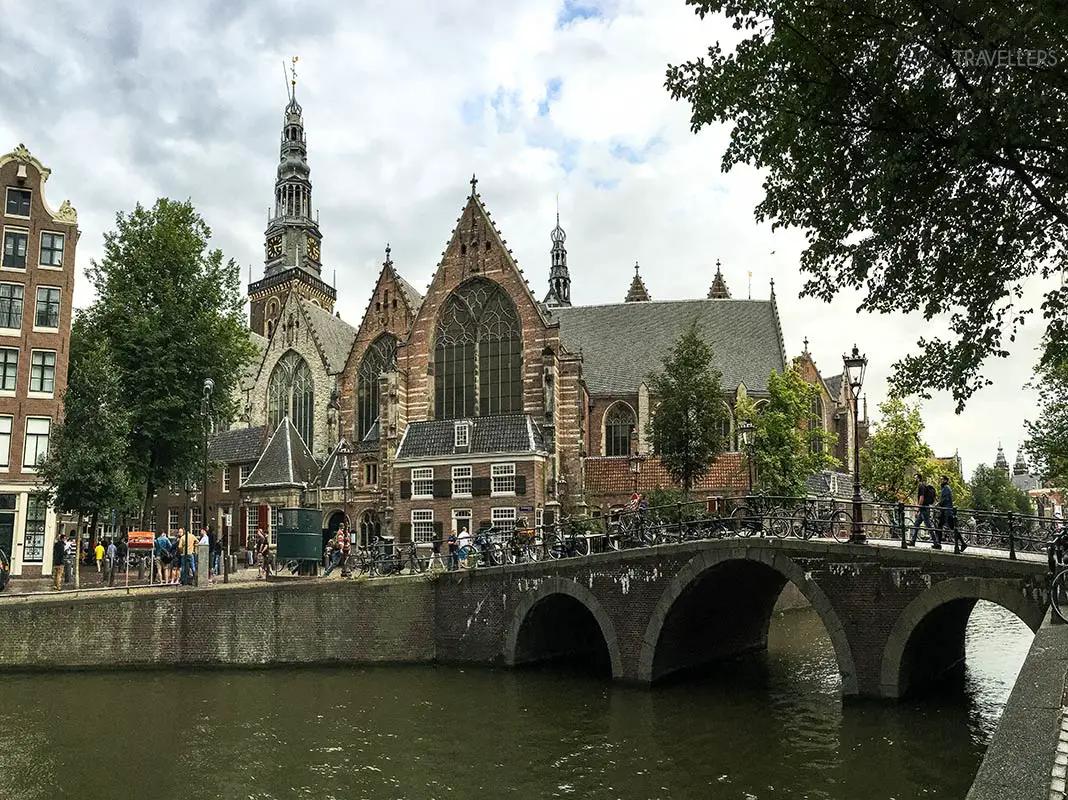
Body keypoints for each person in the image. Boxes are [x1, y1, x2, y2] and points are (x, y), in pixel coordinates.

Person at [909, 473, 938, 548]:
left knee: (928, 525)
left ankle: (936, 543)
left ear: (918, 478)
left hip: (924, 508)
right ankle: (913, 541)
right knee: (917, 524)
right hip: (924, 508)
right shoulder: (923, 485)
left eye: (915, 478)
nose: (914, 479)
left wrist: (918, 508)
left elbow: (921, 498)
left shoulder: (921, 486)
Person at [939, 475, 966, 553]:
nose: (940, 481)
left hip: (947, 511)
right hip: (945, 511)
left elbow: (945, 499)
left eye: (942, 480)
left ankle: (963, 543)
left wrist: (940, 503)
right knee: (939, 526)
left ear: (946, 480)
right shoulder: (945, 488)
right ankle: (938, 543)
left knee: (953, 528)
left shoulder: (946, 488)